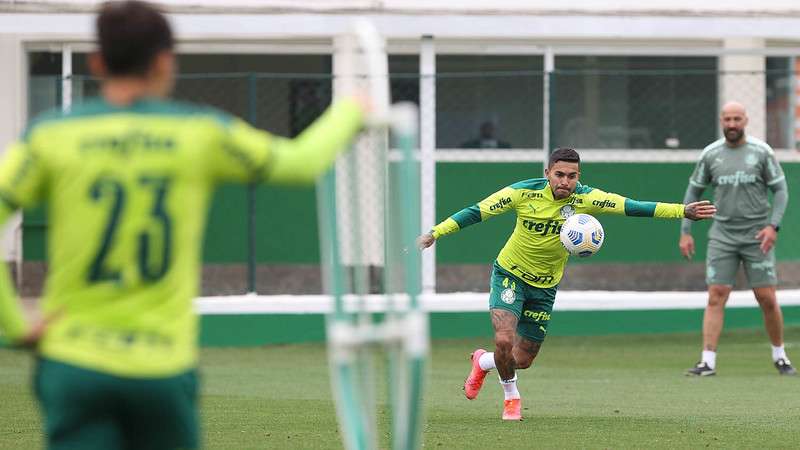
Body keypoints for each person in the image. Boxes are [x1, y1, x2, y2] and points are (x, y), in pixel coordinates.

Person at [0, 1, 368, 448]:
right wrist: (351, 111)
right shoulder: (200, 132)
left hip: (73, 363)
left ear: (97, 61)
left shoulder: (48, 135)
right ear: (163, 60)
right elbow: (303, 162)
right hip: (160, 367)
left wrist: (15, 325)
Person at [417, 147, 715, 421]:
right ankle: (512, 398)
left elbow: (632, 206)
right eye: (559, 174)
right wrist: (436, 232)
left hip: (545, 287)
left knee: (521, 359)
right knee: (504, 341)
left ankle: (482, 363)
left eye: (572, 176)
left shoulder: (587, 198)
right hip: (510, 274)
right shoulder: (523, 193)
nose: (565, 181)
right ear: (547, 173)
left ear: (578, 177)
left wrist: (682, 210)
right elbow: (476, 211)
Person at [680, 101, 794, 377]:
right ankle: (707, 361)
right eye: (727, 119)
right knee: (716, 295)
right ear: (721, 120)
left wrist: (773, 227)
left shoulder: (761, 152)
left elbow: (780, 191)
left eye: (737, 119)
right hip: (722, 236)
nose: (732, 124)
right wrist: (685, 230)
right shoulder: (711, 155)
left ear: (746, 120)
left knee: (766, 297)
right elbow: (693, 192)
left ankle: (780, 356)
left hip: (757, 235)